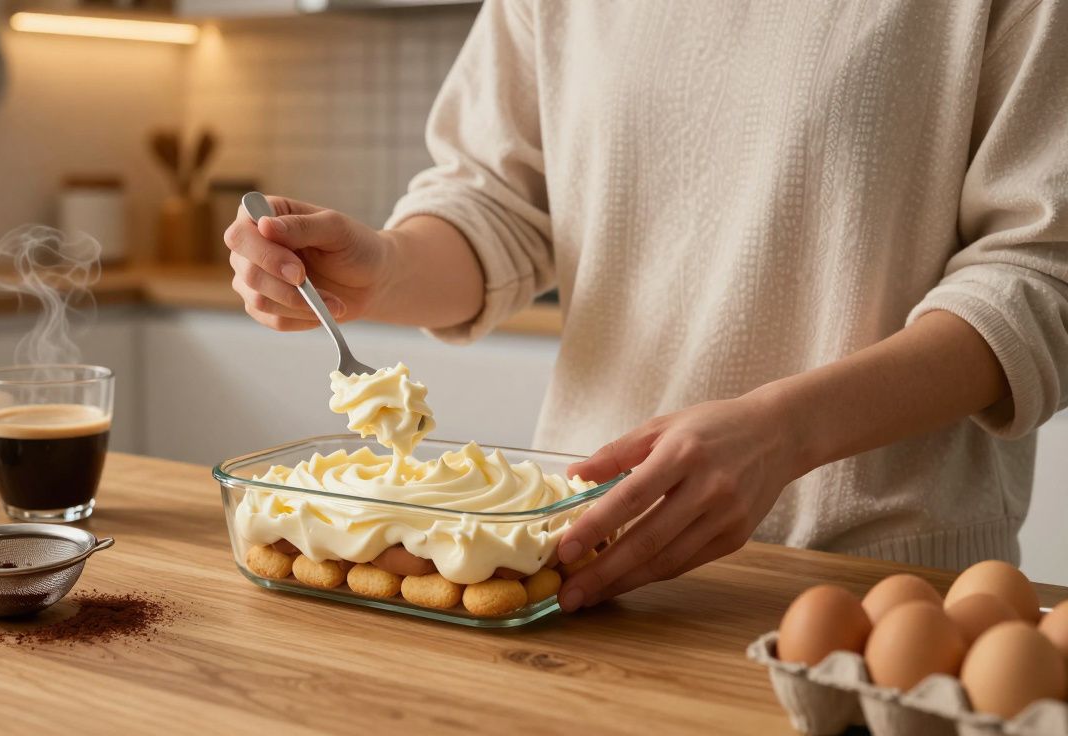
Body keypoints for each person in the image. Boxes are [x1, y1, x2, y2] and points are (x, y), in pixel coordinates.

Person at [222, 1, 1068, 613]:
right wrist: (385, 267)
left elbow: (1041, 275)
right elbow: (496, 203)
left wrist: (787, 432)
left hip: (880, 592)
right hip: (580, 569)